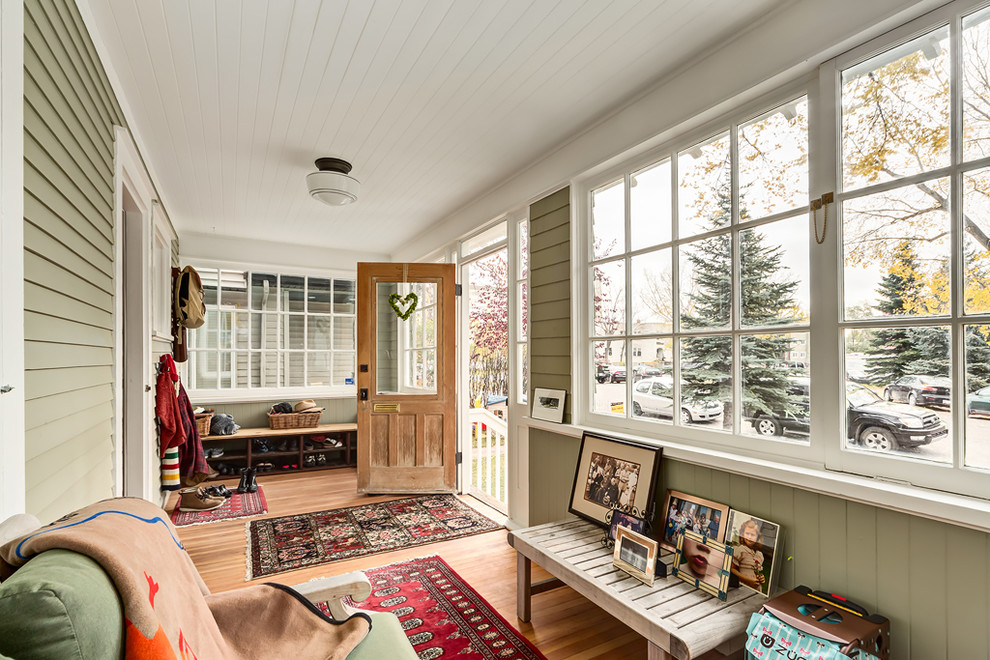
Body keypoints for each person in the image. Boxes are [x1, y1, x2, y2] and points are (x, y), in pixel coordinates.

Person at [730, 518, 766, 591]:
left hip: (756, 589)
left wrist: (761, 577)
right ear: (742, 534)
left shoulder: (759, 555)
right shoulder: (740, 550)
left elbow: (757, 572)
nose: (749, 537)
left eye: (752, 535)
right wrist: (747, 580)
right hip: (742, 587)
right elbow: (732, 569)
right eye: (747, 533)